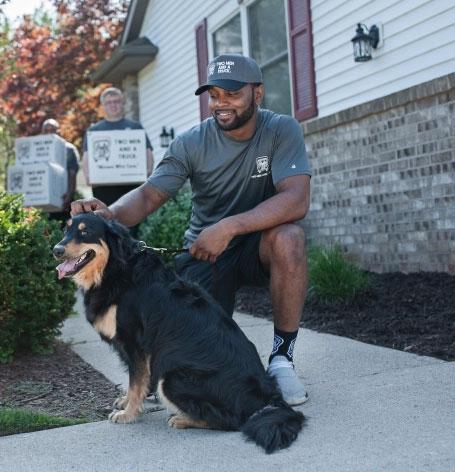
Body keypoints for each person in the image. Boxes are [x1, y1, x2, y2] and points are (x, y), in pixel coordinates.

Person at [71, 54, 311, 406]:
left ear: (257, 94)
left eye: (231, 94)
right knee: (196, 337)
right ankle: (162, 373)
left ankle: (281, 360)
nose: (221, 103)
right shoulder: (192, 142)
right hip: (205, 250)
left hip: (258, 242)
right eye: (214, 95)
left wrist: (229, 226)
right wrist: (111, 214)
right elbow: (150, 193)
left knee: (290, 238)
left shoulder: (281, 129)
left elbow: (295, 200)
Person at [82, 87, 154, 208]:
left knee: (132, 223)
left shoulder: (135, 127)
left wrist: (147, 173)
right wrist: (88, 177)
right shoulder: (94, 131)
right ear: (103, 106)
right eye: (108, 102)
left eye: (116, 101)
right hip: (103, 187)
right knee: (106, 222)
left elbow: (148, 152)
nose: (113, 105)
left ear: (122, 103)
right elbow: (86, 157)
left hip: (132, 185)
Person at [41, 118, 79, 222]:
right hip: (40, 204)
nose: (49, 133)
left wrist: (69, 195)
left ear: (58, 132)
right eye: (46, 130)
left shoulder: (68, 149)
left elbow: (72, 174)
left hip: (62, 202)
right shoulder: (37, 151)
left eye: (52, 130)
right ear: (42, 132)